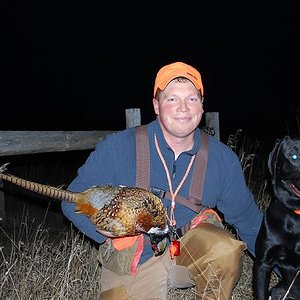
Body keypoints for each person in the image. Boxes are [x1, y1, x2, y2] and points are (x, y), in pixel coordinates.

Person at [61, 61, 263, 300]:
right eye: (171, 99)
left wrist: (286, 261)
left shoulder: (221, 159)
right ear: (156, 106)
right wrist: (108, 233)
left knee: (224, 250)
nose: (183, 108)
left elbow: (249, 220)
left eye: (192, 99)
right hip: (136, 255)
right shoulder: (118, 148)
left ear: (201, 105)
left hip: (189, 249)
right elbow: (73, 200)